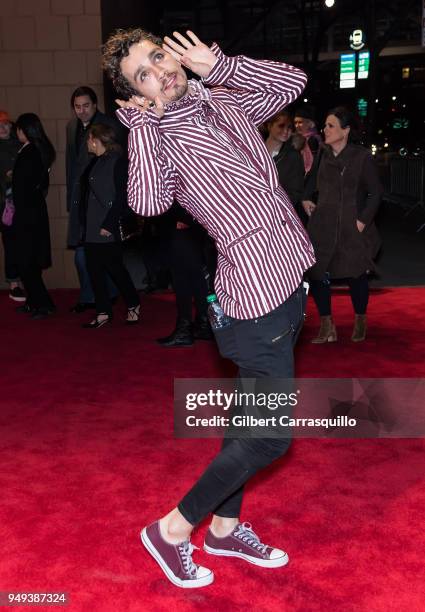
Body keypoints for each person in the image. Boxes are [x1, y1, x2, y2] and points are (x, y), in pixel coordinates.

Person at [102, 28, 315, 588]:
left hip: (290, 278)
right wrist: (144, 127)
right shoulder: (159, 134)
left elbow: (293, 82)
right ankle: (172, 530)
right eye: (141, 76)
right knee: (269, 437)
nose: (158, 72)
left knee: (247, 422)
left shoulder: (221, 93)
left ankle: (224, 530)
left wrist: (218, 62)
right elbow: (148, 202)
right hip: (253, 297)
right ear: (138, 94)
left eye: (157, 57)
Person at [302, 107, 383, 343]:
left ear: (345, 130)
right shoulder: (323, 153)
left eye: (331, 126)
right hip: (322, 225)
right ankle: (327, 326)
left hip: (352, 225)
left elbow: (375, 193)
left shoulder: (362, 156)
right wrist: (306, 198)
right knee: (318, 274)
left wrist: (361, 222)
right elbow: (309, 183)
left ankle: (360, 320)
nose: (325, 130)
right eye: (325, 125)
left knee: (355, 274)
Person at [74, 123, 140, 328]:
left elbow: (122, 197)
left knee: (115, 269)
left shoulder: (118, 162)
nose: (86, 142)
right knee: (93, 270)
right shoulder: (94, 162)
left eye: (88, 138)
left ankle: (133, 303)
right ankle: (103, 312)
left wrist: (109, 223)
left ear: (96, 139)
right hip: (92, 225)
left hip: (107, 226)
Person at [66, 86, 120, 313]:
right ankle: (95, 297)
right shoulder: (71, 127)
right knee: (85, 255)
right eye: (77, 107)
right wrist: (71, 199)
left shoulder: (109, 124)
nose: (82, 111)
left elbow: (116, 163)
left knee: (98, 256)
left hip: (101, 201)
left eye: (86, 105)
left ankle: (105, 297)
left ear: (95, 105)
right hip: (81, 200)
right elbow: (71, 166)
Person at [12, 113, 56, 319]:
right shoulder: (35, 151)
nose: (17, 132)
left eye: (19, 128)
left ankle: (43, 304)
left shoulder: (30, 153)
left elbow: (24, 186)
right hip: (32, 212)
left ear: (26, 130)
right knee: (28, 261)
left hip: (28, 214)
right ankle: (34, 302)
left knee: (27, 262)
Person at [156, 201, 214, 347]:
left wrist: (186, 218)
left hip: (183, 222)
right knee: (194, 274)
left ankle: (185, 330)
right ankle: (203, 324)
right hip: (191, 223)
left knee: (181, 276)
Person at [0, 110, 24, 301]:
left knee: (24, 241)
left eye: (5, 124)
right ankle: (14, 282)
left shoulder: (21, 144)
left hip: (23, 201)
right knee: (10, 242)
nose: (2, 128)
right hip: (5, 204)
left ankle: (26, 279)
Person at [263, 110, 305, 217]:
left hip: (275, 215)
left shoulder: (294, 157)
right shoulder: (253, 151)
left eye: (290, 127)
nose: (286, 131)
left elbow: (294, 193)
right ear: (269, 126)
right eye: (281, 126)